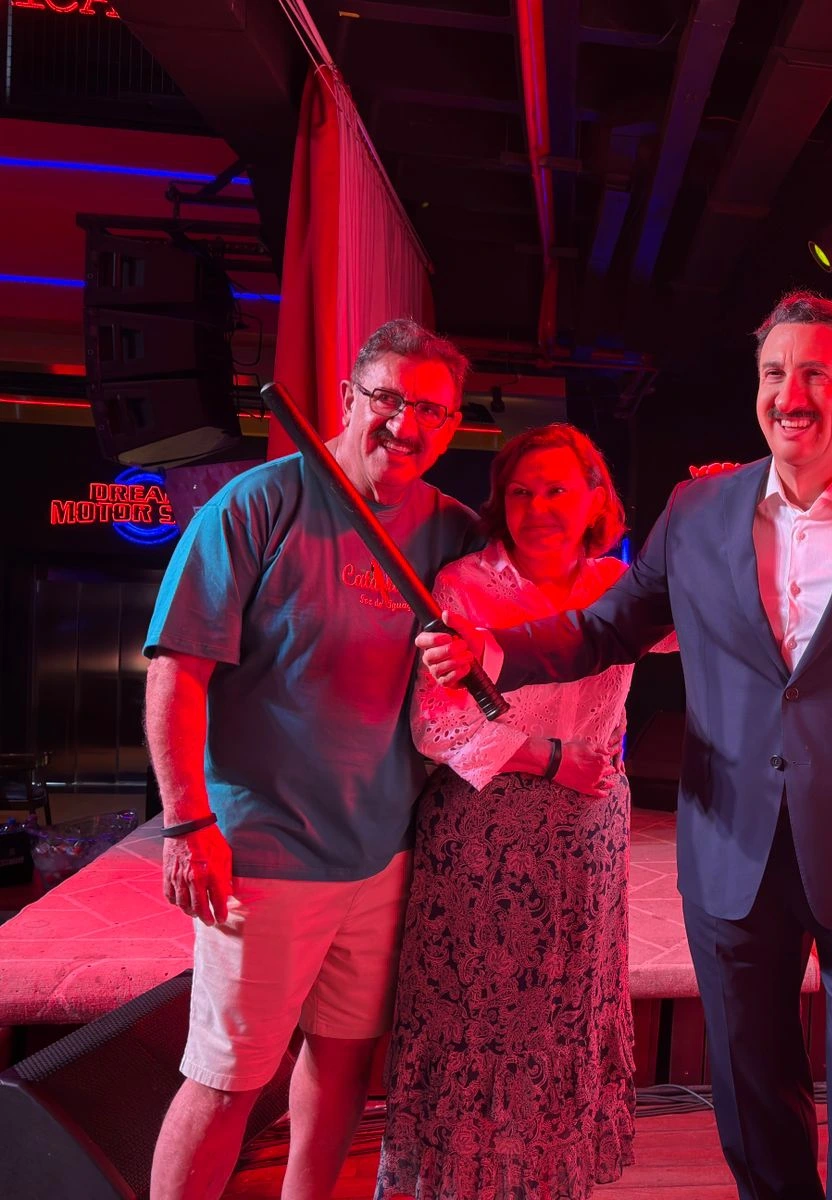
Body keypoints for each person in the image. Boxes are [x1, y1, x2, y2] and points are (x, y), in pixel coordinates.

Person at [418, 291, 832, 1200]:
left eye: (815, 374)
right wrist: (496, 649)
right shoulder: (698, 510)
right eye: (774, 373)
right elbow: (609, 627)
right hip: (730, 845)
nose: (790, 395)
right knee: (748, 1088)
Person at [144, 318, 478, 1200]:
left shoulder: (453, 530)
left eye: (431, 410)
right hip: (262, 854)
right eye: (388, 399)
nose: (406, 424)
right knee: (227, 1080)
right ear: (346, 398)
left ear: (453, 427)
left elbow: (562, 587)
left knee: (342, 1065)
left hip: (384, 853)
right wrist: (186, 822)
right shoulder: (258, 505)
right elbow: (178, 670)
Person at [376, 424, 638, 1200]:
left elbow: (717, 617)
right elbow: (436, 723)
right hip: (485, 837)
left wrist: (732, 506)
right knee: (478, 1024)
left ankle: (546, 1183)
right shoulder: (462, 584)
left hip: (588, 841)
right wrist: (553, 758)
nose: (538, 507)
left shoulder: (621, 587)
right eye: (521, 492)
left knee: (565, 1019)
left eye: (557, 489)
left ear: (594, 499)